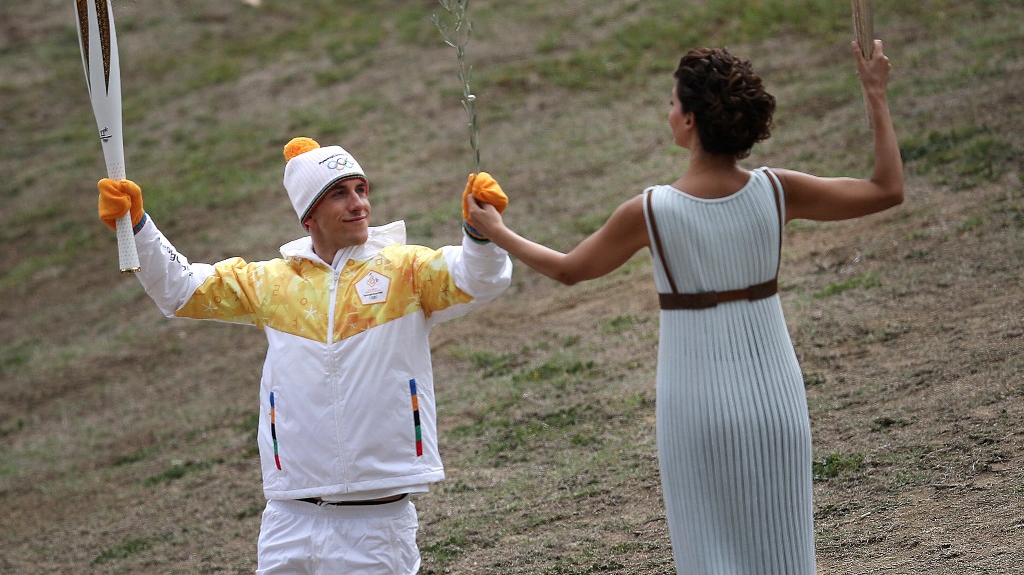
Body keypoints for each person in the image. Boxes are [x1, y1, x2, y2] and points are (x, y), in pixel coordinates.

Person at [465, 41, 903, 574]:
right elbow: (887, 189)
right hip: (777, 400)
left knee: (709, 557)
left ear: (691, 120)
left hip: (696, 406)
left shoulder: (651, 210)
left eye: (673, 104)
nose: (667, 113)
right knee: (785, 556)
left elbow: (568, 269)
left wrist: (497, 232)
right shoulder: (777, 190)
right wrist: (875, 94)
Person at [97, 137, 513, 574]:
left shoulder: (406, 271)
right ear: (309, 215)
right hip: (288, 520)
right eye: (340, 193)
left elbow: (478, 279)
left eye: (361, 190)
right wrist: (138, 226)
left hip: (374, 524)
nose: (359, 205)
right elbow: (181, 290)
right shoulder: (271, 283)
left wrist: (481, 235)